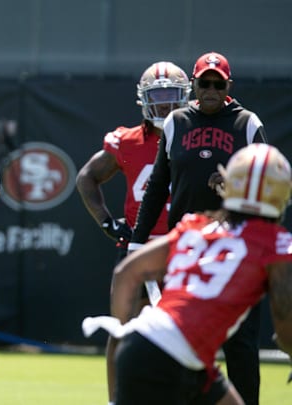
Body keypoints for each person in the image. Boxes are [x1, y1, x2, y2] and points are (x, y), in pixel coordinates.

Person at [84, 143, 292, 405]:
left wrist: (123, 332)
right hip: (171, 355)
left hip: (161, 348)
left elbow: (127, 271)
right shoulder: (277, 244)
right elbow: (287, 325)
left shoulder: (197, 225)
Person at [128, 51, 268, 405]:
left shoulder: (247, 124)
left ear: (228, 86)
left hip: (238, 251)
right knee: (184, 342)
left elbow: (270, 186)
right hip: (188, 251)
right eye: (203, 83)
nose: (209, 89)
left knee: (241, 345)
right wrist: (137, 242)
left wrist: (237, 195)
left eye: (216, 83)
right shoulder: (177, 122)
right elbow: (158, 186)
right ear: (193, 85)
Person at [76, 61, 190, 403]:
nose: (166, 104)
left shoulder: (194, 134)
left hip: (184, 246)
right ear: (144, 99)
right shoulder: (127, 140)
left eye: (173, 96)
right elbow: (87, 177)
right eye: (159, 96)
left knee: (188, 329)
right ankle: (116, 399)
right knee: (121, 326)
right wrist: (107, 222)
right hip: (138, 247)